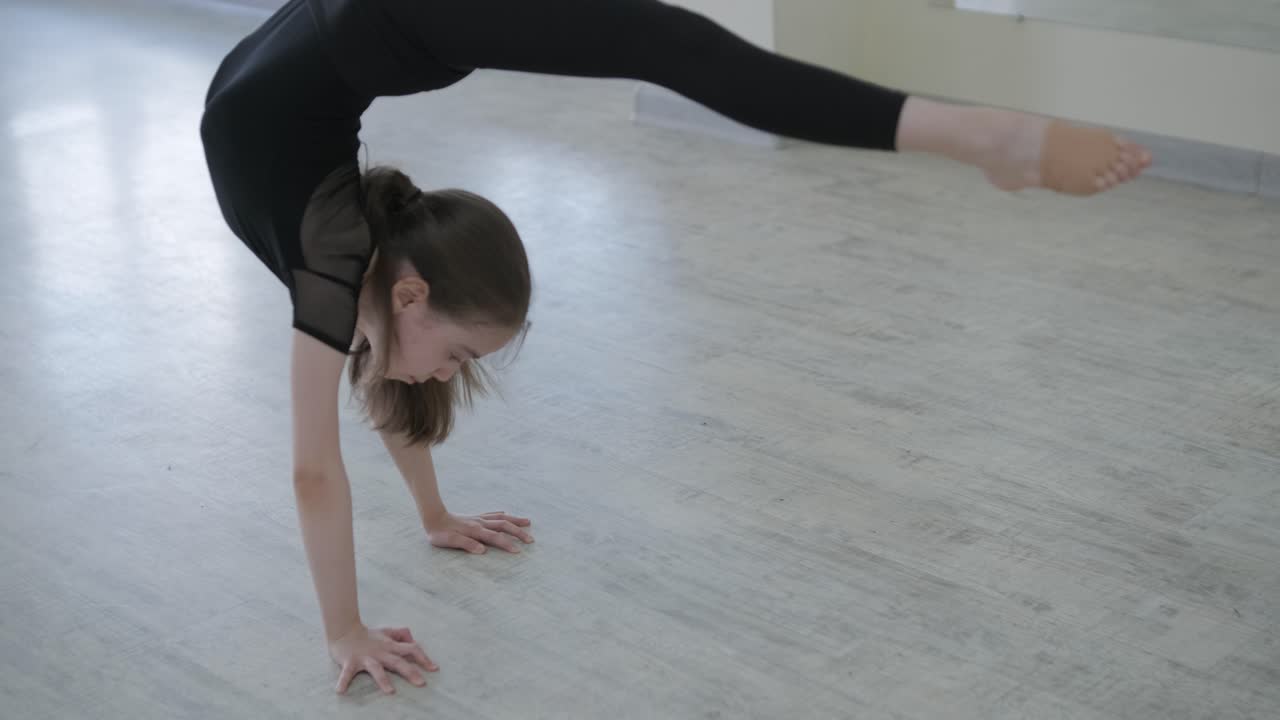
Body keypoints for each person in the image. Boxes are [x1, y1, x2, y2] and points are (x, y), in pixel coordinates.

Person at [199, 0, 1152, 697]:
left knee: (665, 44)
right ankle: (979, 136)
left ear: (409, 293)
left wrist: (351, 627)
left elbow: (323, 457)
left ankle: (980, 135)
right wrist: (416, 540)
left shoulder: (334, 268)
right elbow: (374, 390)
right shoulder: (351, 271)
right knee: (659, 40)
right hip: (364, 31)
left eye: (454, 359)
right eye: (458, 358)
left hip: (385, 24)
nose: (446, 375)